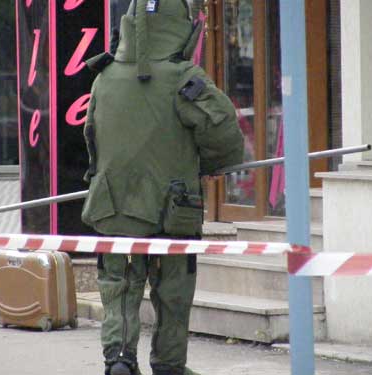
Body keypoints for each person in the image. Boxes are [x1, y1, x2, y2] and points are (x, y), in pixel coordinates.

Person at [81, 1, 243, 374]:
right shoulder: (184, 77)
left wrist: (101, 174)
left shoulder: (103, 76)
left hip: (113, 204)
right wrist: (209, 165)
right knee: (173, 292)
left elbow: (91, 135)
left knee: (119, 289)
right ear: (180, 27)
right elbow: (223, 134)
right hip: (175, 208)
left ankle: (119, 360)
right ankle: (170, 364)